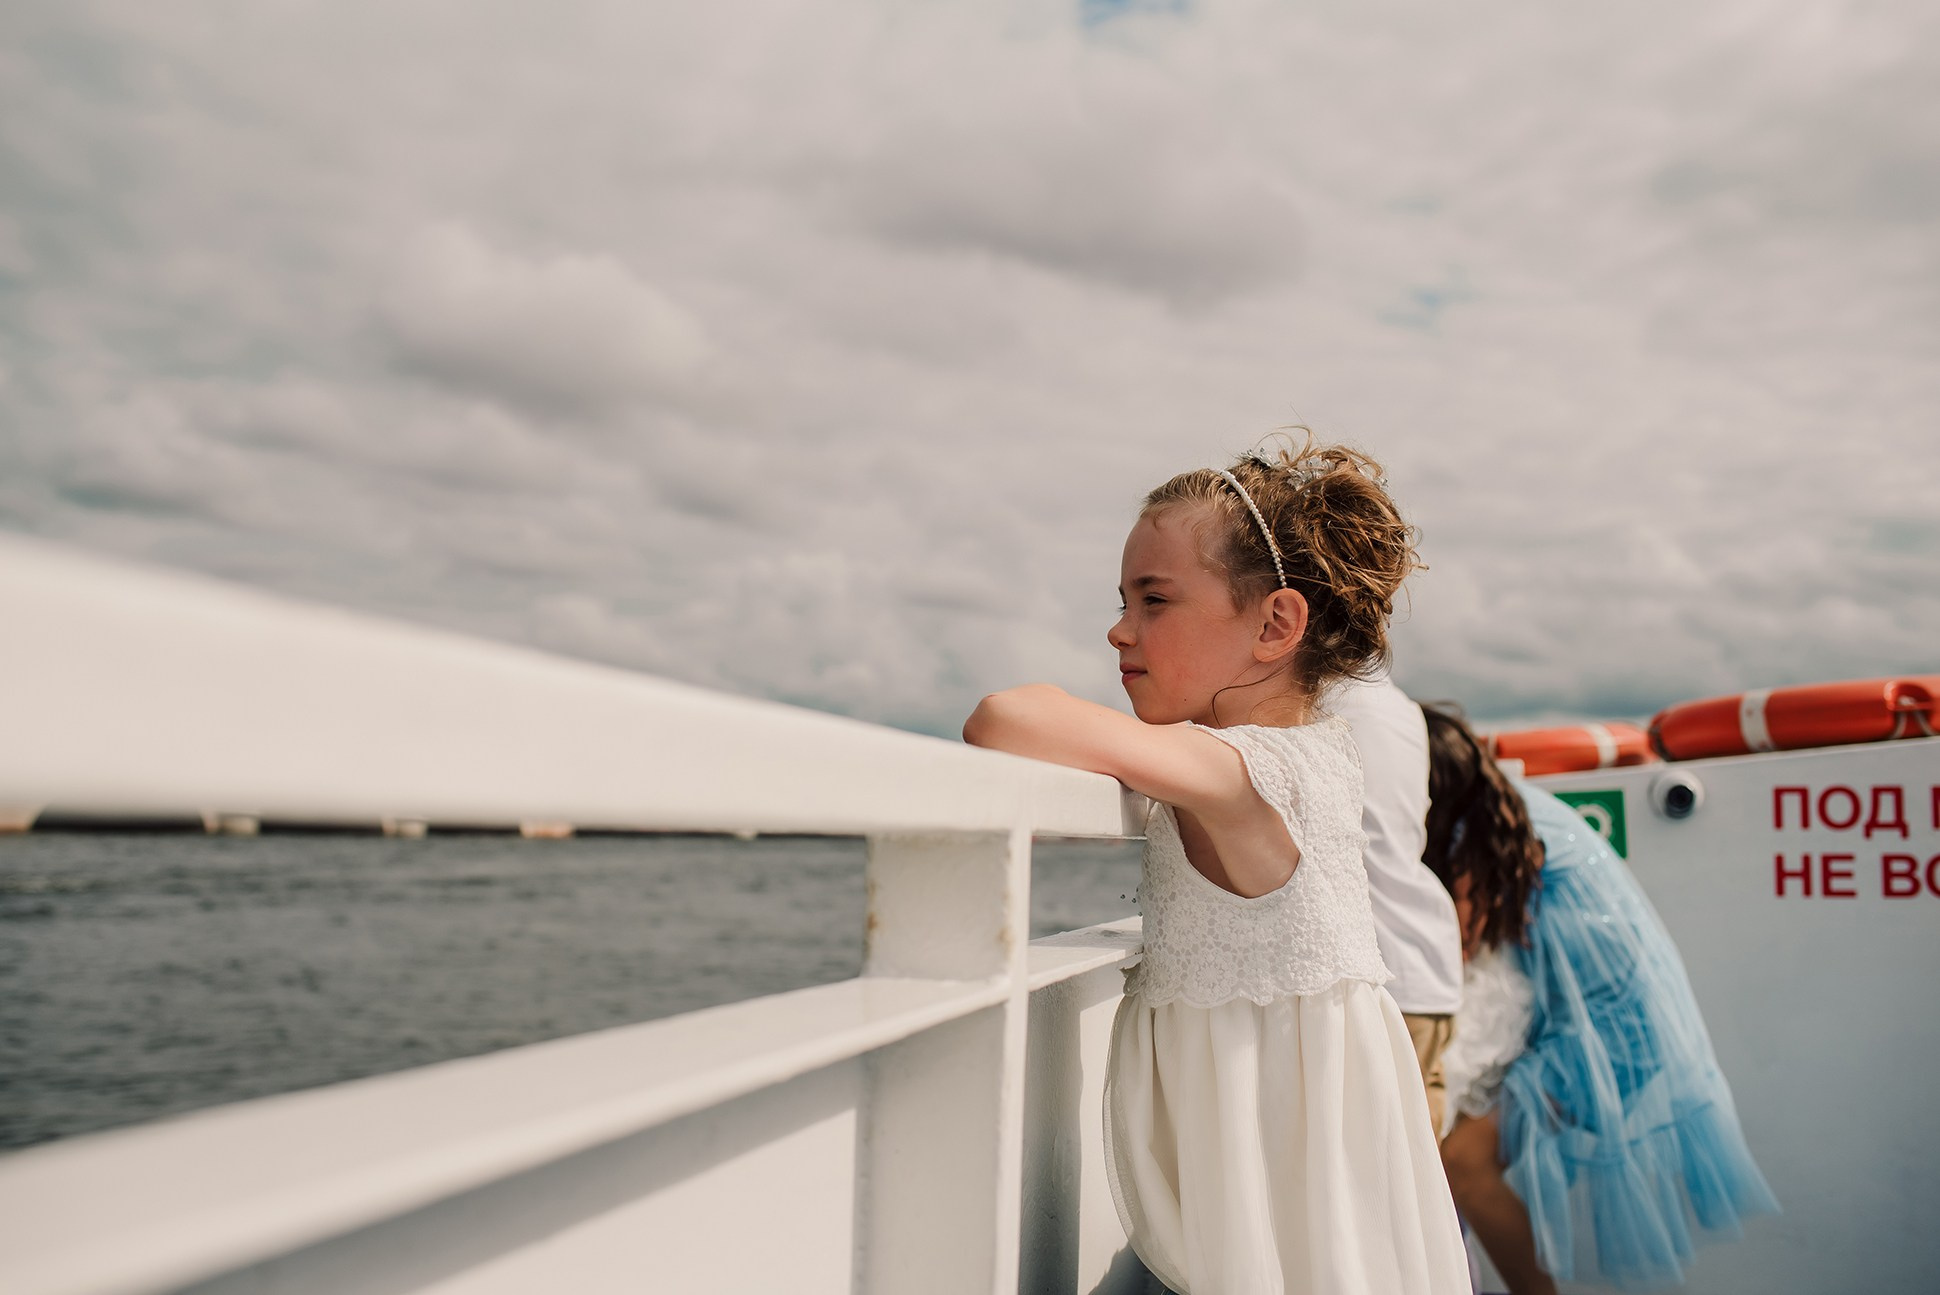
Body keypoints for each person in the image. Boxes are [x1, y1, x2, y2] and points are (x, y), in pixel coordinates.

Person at [964, 438, 1468, 1294]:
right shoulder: (1298, 756)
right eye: (1122, 600)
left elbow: (1003, 718)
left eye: (1153, 600)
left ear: (1275, 625)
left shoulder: (1250, 773)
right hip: (1264, 1183)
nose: (1119, 629)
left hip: (1262, 1206)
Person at [1420, 703, 1779, 1294]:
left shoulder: (1470, 834)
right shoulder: (1510, 805)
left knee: (1462, 1162)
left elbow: (1454, 946)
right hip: (1613, 1022)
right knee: (1455, 1161)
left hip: (1606, 1042)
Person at [1329, 676, 1464, 1135]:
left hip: (1388, 974)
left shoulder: (1324, 703)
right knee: (1419, 1167)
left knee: (1378, 1171)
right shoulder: (1401, 708)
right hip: (1429, 961)